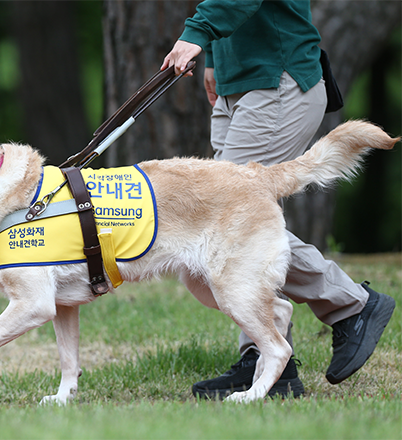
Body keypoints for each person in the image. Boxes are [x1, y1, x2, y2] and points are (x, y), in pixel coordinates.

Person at [160, 0, 396, 399]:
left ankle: (350, 304)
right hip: (239, 87)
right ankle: (268, 360)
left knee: (225, 227)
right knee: (235, 228)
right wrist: (217, 57)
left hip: (277, 83)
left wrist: (198, 34)